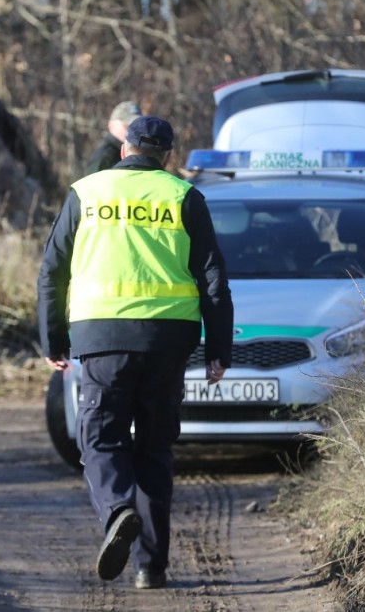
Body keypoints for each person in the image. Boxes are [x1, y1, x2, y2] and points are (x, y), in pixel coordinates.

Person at [37, 116, 234, 589]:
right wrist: (218, 350)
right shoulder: (182, 196)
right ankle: (151, 566)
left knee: (101, 440)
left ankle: (117, 510)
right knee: (154, 450)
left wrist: (52, 340)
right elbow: (213, 280)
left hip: (102, 339)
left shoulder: (86, 192)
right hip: (168, 341)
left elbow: (52, 272)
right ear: (166, 155)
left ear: (125, 149)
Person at [82, 101, 143, 175]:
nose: (131, 130)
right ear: (111, 124)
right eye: (126, 125)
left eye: (135, 126)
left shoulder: (135, 153)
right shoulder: (104, 158)